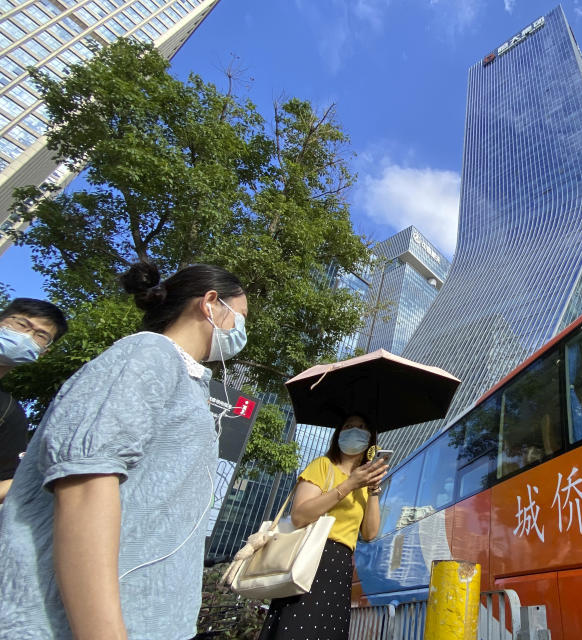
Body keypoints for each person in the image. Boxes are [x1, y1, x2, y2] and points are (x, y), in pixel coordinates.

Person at [0, 261, 247, 640]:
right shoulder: (147, 354)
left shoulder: (189, 381)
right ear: (210, 303)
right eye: (240, 316)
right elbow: (85, 483)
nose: (240, 330)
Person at [259, 414, 388, 640]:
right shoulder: (323, 465)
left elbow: (369, 533)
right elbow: (299, 516)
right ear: (339, 433)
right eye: (349, 426)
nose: (355, 431)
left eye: (362, 427)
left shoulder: (365, 484)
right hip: (310, 557)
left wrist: (373, 490)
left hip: (340, 567)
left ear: (371, 440)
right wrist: (349, 484)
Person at [0, 298, 68, 504]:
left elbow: (8, 480)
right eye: (21, 324)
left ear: (43, 352)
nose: (25, 336)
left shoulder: (9, 414)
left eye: (40, 336)